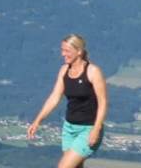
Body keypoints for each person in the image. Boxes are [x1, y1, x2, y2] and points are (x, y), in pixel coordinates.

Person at [26, 34, 108, 168]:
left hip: (88, 128)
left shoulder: (93, 72)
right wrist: (37, 120)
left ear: (79, 51)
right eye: (62, 50)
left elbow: (103, 102)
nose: (63, 54)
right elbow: (54, 97)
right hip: (69, 128)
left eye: (67, 51)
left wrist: (96, 129)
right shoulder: (64, 70)